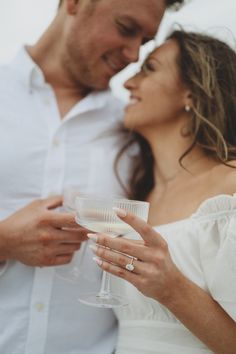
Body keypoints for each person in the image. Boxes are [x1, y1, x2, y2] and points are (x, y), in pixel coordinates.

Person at [0, 0, 185, 353]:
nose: (133, 54)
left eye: (144, 41)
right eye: (126, 28)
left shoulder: (136, 129)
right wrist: (4, 241)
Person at [88, 30, 236, 353]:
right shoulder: (137, 197)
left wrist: (171, 289)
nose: (128, 83)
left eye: (150, 68)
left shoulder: (232, 188)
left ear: (192, 93)